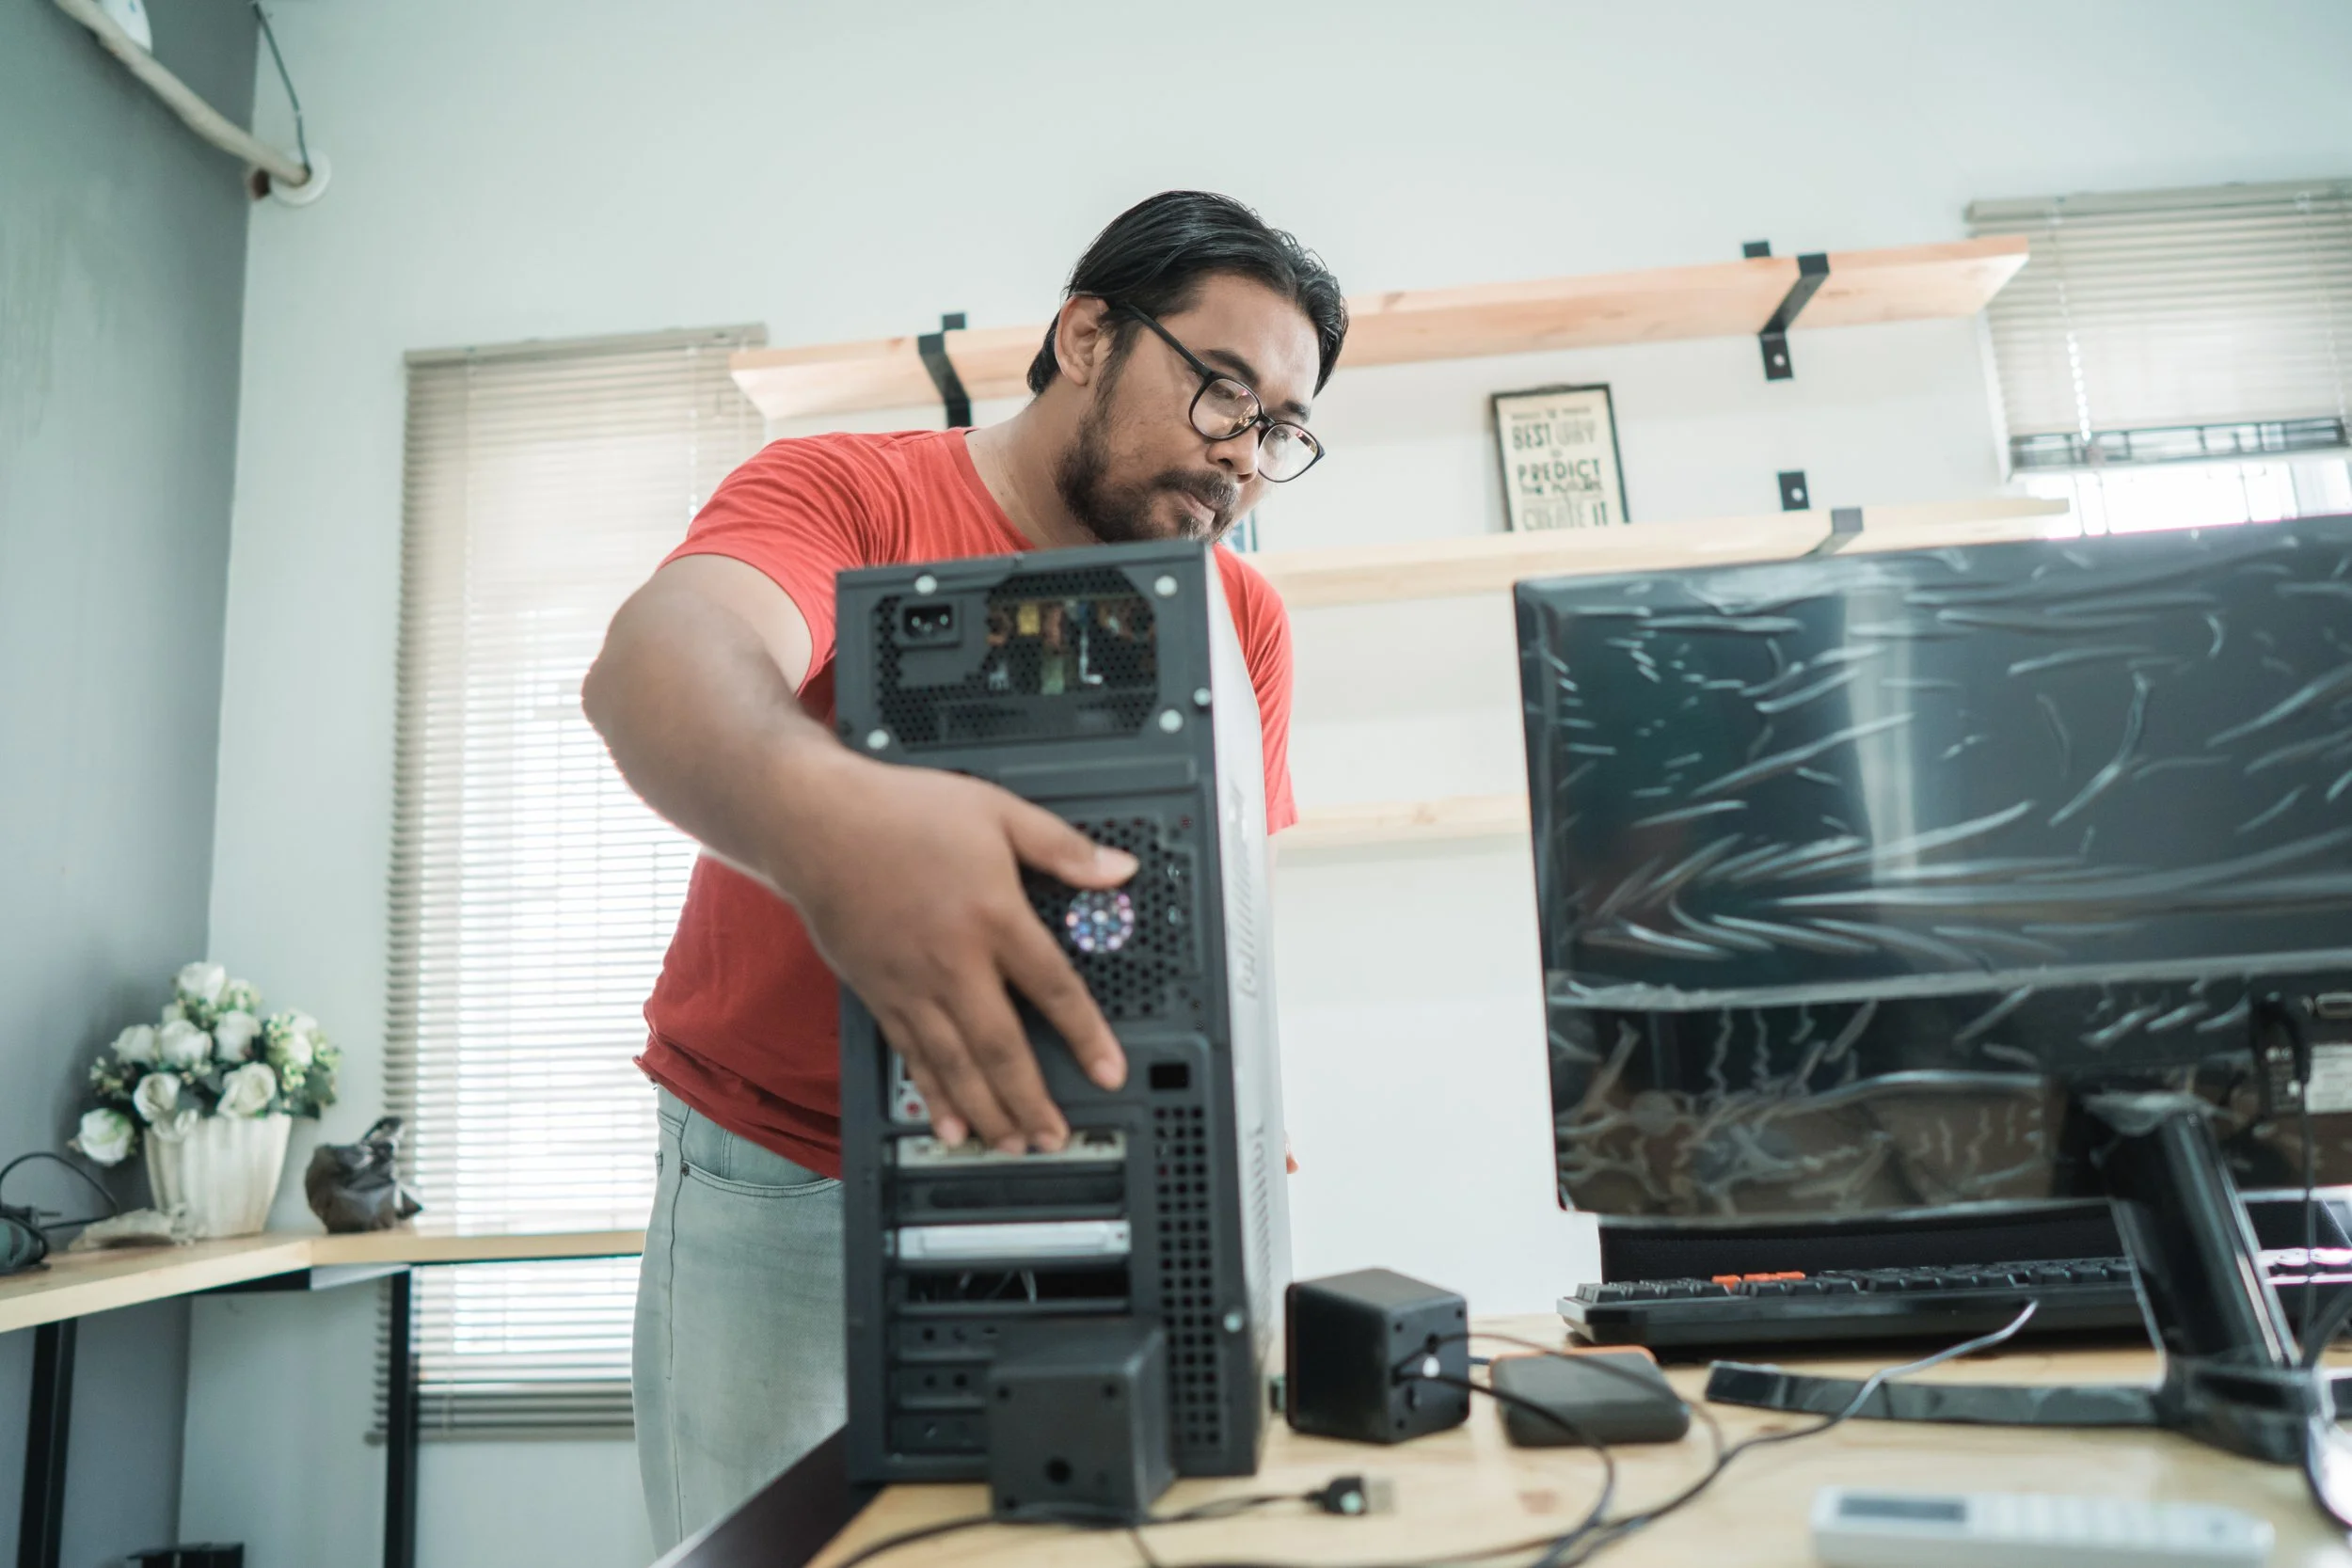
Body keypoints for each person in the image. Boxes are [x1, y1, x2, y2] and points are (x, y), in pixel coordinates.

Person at [581, 189, 1349, 1550]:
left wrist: (1242, 1197)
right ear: (1087, 335)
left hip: (1116, 1175)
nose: (1243, 457)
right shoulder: (850, 491)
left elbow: (1231, 928)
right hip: (789, 1174)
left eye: (1280, 429)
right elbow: (658, 664)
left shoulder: (1244, 619)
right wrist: (839, 826)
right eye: (1222, 392)